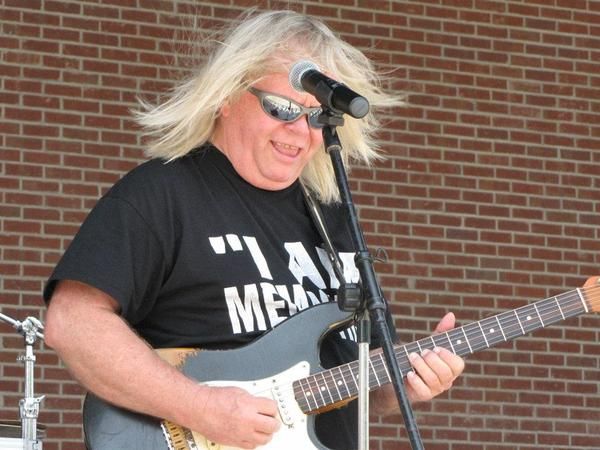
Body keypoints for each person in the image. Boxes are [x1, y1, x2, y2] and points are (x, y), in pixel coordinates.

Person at [44, 10, 465, 450]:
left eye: (316, 117)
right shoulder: (163, 194)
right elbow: (73, 323)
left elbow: (361, 379)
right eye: (282, 108)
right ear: (226, 96)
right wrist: (200, 407)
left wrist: (407, 383)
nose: (299, 130)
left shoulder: (332, 218)